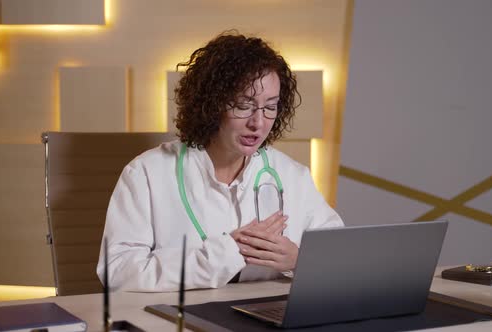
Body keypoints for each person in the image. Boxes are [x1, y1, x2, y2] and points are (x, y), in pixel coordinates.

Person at [96, 31, 344, 292]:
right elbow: (118, 270)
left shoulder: (292, 175)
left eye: (270, 106)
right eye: (243, 105)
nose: (258, 123)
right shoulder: (147, 173)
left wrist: (299, 261)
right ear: (211, 104)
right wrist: (226, 252)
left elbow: (340, 254)